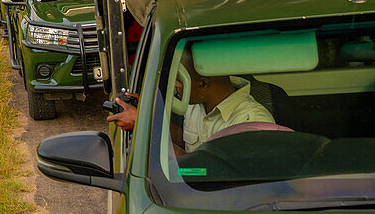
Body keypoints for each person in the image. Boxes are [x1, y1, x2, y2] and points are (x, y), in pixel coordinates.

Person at [107, 47, 273, 157]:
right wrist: (149, 115)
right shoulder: (198, 102)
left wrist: (144, 126)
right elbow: (184, 144)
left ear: (203, 83)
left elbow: (203, 171)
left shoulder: (251, 123)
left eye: (179, 80)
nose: (176, 87)